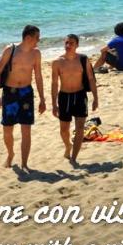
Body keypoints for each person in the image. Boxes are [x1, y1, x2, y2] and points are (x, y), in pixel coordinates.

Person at [0, 25, 46, 169]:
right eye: (37, 38)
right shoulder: (10, 50)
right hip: (10, 92)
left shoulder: (36, 54)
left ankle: (24, 164)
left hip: (26, 93)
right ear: (28, 38)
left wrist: (42, 99)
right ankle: (10, 154)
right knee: (7, 129)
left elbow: (39, 76)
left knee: (26, 129)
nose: (38, 41)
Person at [51, 34, 98, 163]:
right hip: (64, 97)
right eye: (66, 43)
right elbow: (54, 83)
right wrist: (54, 104)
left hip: (80, 95)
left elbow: (91, 79)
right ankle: (68, 146)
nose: (68, 45)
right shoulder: (57, 62)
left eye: (71, 43)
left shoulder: (83, 59)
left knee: (80, 128)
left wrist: (95, 98)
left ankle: (74, 158)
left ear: (77, 45)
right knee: (64, 130)